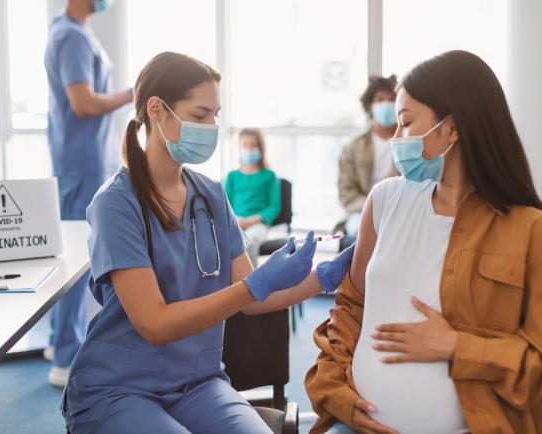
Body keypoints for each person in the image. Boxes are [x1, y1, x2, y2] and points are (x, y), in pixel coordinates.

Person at [61, 51, 356, 434]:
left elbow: (256, 301)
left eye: (216, 114)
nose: (212, 126)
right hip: (120, 388)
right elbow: (154, 324)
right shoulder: (116, 204)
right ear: (157, 110)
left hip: (197, 384)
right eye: (201, 115)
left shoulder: (211, 195)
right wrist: (256, 285)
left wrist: (326, 275)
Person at [305, 50, 542, 434]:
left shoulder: (537, 234)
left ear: (452, 128)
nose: (396, 138)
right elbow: (350, 308)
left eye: (405, 123)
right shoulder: (384, 200)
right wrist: (338, 396)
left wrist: (456, 347)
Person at [43, 0, 133, 387]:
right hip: (81, 163)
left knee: (80, 257)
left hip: (89, 160)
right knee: (77, 262)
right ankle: (66, 358)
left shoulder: (79, 33)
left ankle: (60, 344)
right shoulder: (69, 37)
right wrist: (131, 94)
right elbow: (82, 103)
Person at [337, 75, 398, 237]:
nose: (387, 104)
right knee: (359, 233)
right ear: (369, 106)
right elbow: (346, 192)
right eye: (380, 99)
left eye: (392, 99)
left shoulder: (408, 144)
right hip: (361, 210)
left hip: (400, 210)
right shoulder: (352, 147)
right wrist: (374, 206)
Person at [224, 128, 281, 266]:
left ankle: (251, 282)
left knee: (248, 241)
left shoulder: (269, 176)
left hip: (258, 224)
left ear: (260, 148)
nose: (249, 149)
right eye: (245, 145)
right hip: (235, 222)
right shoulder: (232, 176)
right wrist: (237, 220)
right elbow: (224, 204)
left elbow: (274, 206)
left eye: (253, 145)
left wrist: (251, 221)